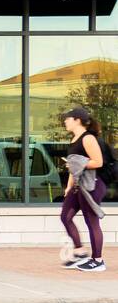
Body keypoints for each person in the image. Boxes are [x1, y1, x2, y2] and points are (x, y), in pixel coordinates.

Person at [58, 106, 107, 272]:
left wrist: (79, 163)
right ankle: (80, 253)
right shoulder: (74, 139)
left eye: (68, 118)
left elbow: (98, 162)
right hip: (78, 185)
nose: (65, 121)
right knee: (66, 216)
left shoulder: (88, 138)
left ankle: (98, 261)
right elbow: (74, 166)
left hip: (91, 185)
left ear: (77, 120)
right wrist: (69, 186)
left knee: (91, 222)